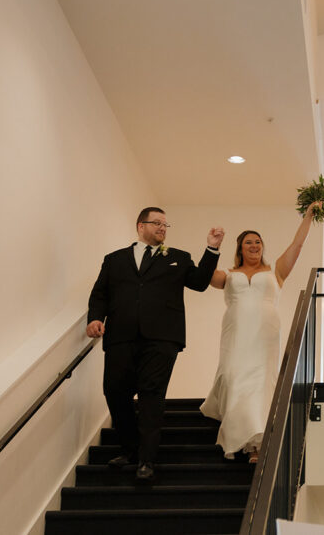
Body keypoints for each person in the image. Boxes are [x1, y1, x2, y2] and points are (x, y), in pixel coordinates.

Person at [87, 206, 224, 482]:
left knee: (151, 394)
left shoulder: (177, 257)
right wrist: (94, 319)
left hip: (162, 338)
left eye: (165, 224)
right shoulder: (114, 260)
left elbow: (198, 283)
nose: (163, 227)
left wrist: (211, 250)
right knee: (114, 391)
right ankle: (129, 450)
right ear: (141, 226)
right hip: (120, 337)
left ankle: (147, 460)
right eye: (157, 223)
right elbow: (100, 293)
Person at [200, 202, 320, 461]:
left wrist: (308, 217)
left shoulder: (275, 271)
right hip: (236, 331)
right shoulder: (229, 275)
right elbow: (206, 277)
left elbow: (296, 247)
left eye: (258, 242)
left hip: (265, 332)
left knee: (260, 380)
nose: (254, 246)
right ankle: (238, 427)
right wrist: (213, 246)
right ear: (240, 248)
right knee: (234, 376)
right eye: (248, 243)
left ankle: (257, 442)